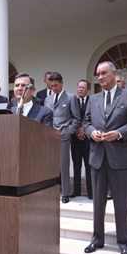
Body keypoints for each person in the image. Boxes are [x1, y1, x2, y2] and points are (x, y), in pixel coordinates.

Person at [83, 61, 127, 254]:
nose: (100, 77)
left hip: (121, 158)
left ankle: (124, 243)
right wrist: (92, 133)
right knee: (98, 203)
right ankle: (97, 239)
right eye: (97, 74)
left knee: (122, 203)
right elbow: (86, 122)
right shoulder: (93, 99)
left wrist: (118, 133)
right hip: (98, 157)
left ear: (114, 73)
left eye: (104, 73)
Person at [45, 72, 81, 203]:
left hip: (64, 135)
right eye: (51, 86)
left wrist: (68, 131)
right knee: (49, 165)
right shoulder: (47, 99)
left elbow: (77, 119)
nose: (54, 88)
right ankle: (50, 191)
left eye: (56, 85)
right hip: (49, 136)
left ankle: (65, 193)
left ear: (62, 83)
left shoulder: (71, 98)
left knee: (63, 165)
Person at [70, 79, 93, 199]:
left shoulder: (92, 101)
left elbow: (92, 118)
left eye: (83, 87)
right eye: (79, 87)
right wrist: (77, 130)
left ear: (88, 89)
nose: (81, 89)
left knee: (89, 166)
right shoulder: (72, 101)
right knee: (76, 165)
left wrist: (83, 129)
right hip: (75, 139)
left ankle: (91, 192)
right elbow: (69, 117)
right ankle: (76, 191)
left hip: (88, 139)